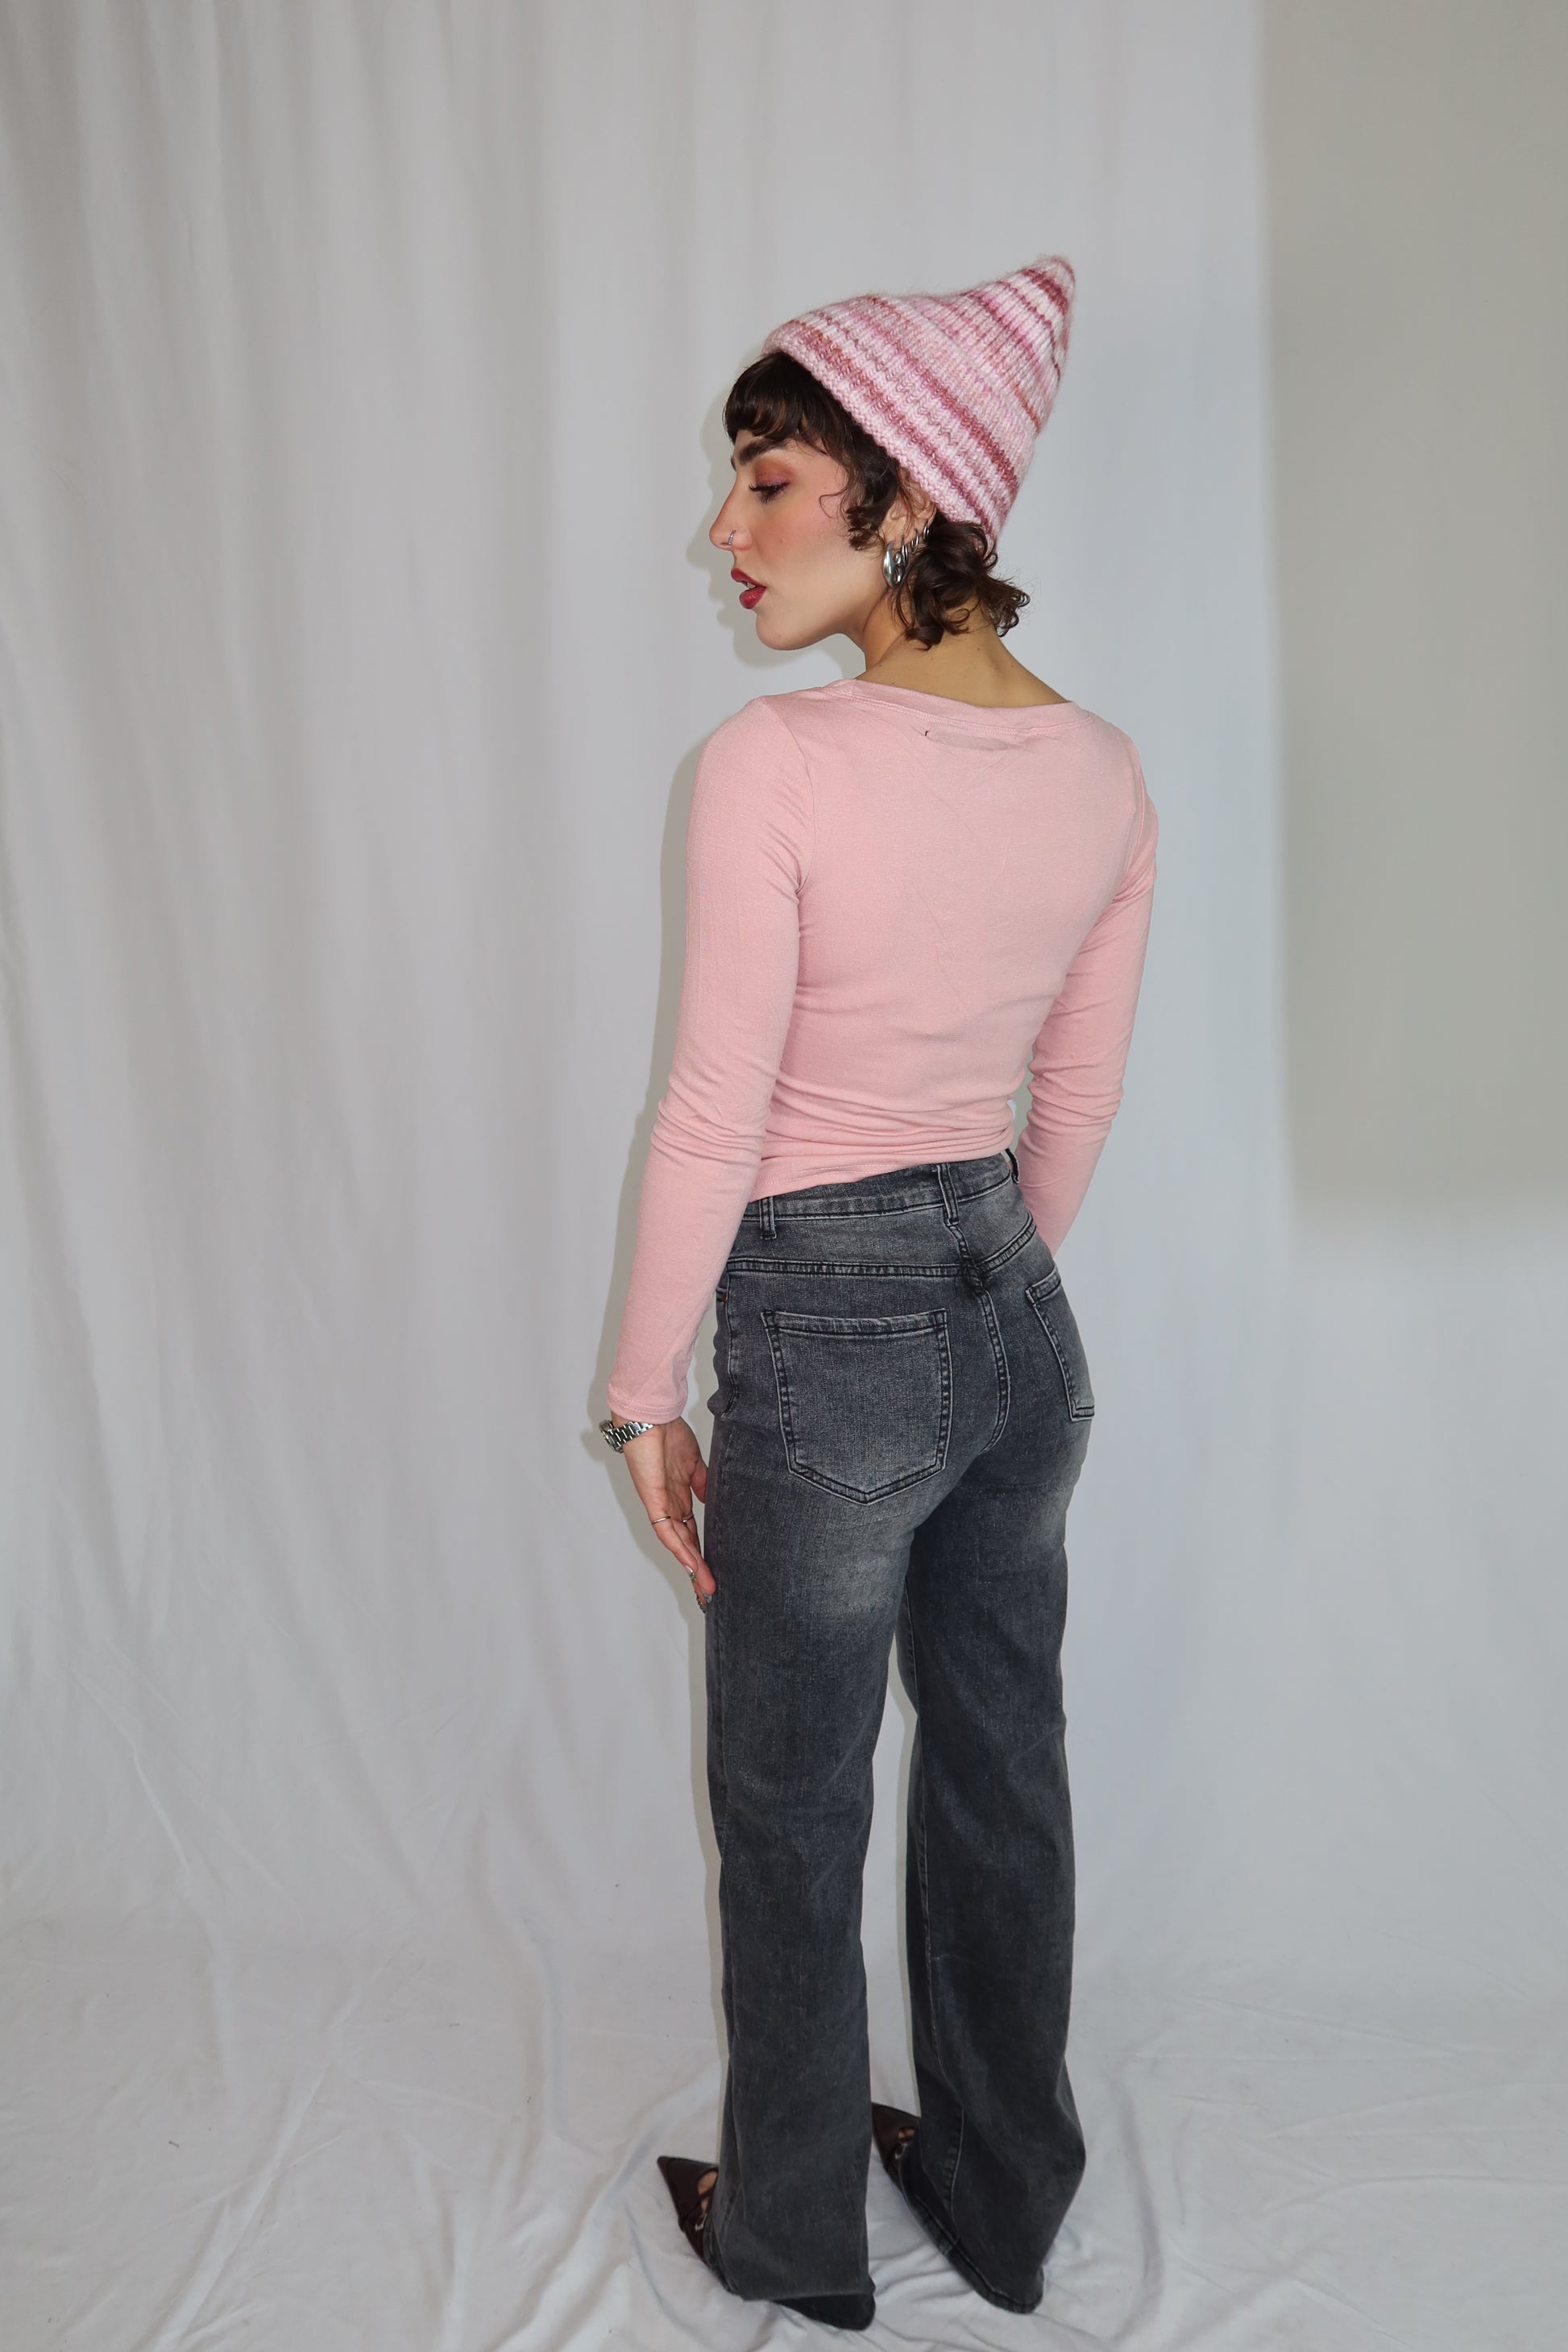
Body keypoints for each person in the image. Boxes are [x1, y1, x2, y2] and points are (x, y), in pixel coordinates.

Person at [599, 256, 1158, 2332]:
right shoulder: (1106, 771)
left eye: (767, 481)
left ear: (905, 498)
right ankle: (1004, 2200)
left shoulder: (780, 767)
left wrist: (644, 1392)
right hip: (1019, 1318)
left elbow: (712, 1116)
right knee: (1005, 1767)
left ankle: (794, 2234)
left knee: (790, 1799)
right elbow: (1073, 1104)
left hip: (825, 1331)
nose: (724, 531)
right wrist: (977, 1296)